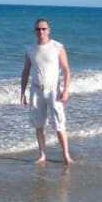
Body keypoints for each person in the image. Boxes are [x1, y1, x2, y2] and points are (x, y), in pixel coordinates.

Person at [20, 18, 73, 165]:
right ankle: (42, 155)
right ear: (35, 31)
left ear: (49, 30)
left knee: (59, 123)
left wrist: (66, 90)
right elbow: (25, 71)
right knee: (39, 124)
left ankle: (66, 155)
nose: (41, 31)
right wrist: (22, 92)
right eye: (38, 29)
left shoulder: (57, 47)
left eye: (44, 29)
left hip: (53, 90)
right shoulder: (30, 49)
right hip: (36, 90)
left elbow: (66, 69)